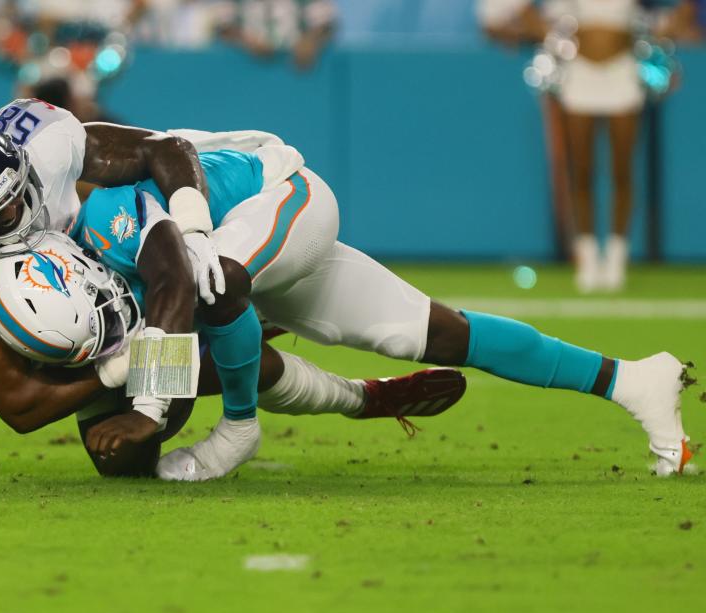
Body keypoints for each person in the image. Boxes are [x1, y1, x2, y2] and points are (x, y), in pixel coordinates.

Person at [0, 101, 463, 477]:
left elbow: (163, 151)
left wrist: (192, 229)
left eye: (18, 190)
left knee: (199, 302)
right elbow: (18, 404)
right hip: (83, 318)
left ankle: (259, 330)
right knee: (121, 461)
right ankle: (357, 394)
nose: (20, 211)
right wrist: (117, 371)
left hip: (140, 237)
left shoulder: (45, 143)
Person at [64, 145, 694, 480]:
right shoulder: (88, 265)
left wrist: (146, 404)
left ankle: (238, 430)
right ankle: (632, 378)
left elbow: (192, 283)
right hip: (236, 249)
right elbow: (240, 351)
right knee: (436, 334)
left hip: (280, 199)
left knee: (217, 282)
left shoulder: (104, 216)